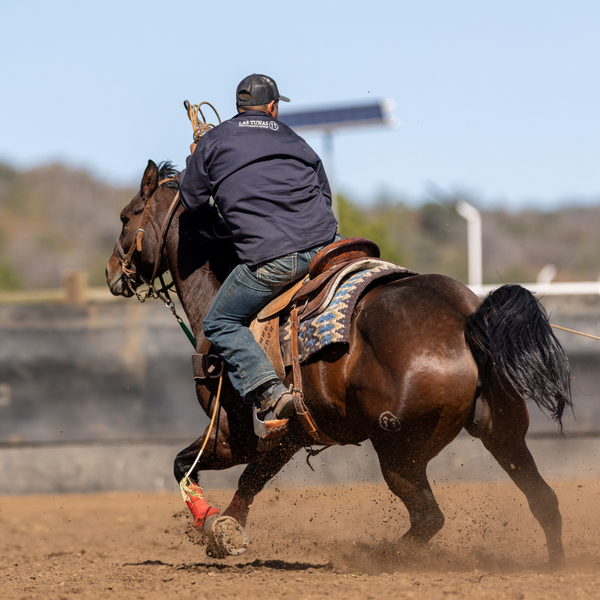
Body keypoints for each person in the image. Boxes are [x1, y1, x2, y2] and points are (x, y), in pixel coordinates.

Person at [179, 73, 339, 437]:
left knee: (219, 322)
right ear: (273, 107)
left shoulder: (214, 141)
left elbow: (191, 202)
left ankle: (270, 392)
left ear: (239, 106)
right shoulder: (294, 139)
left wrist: (196, 160)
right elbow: (324, 198)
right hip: (328, 246)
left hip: (273, 259)